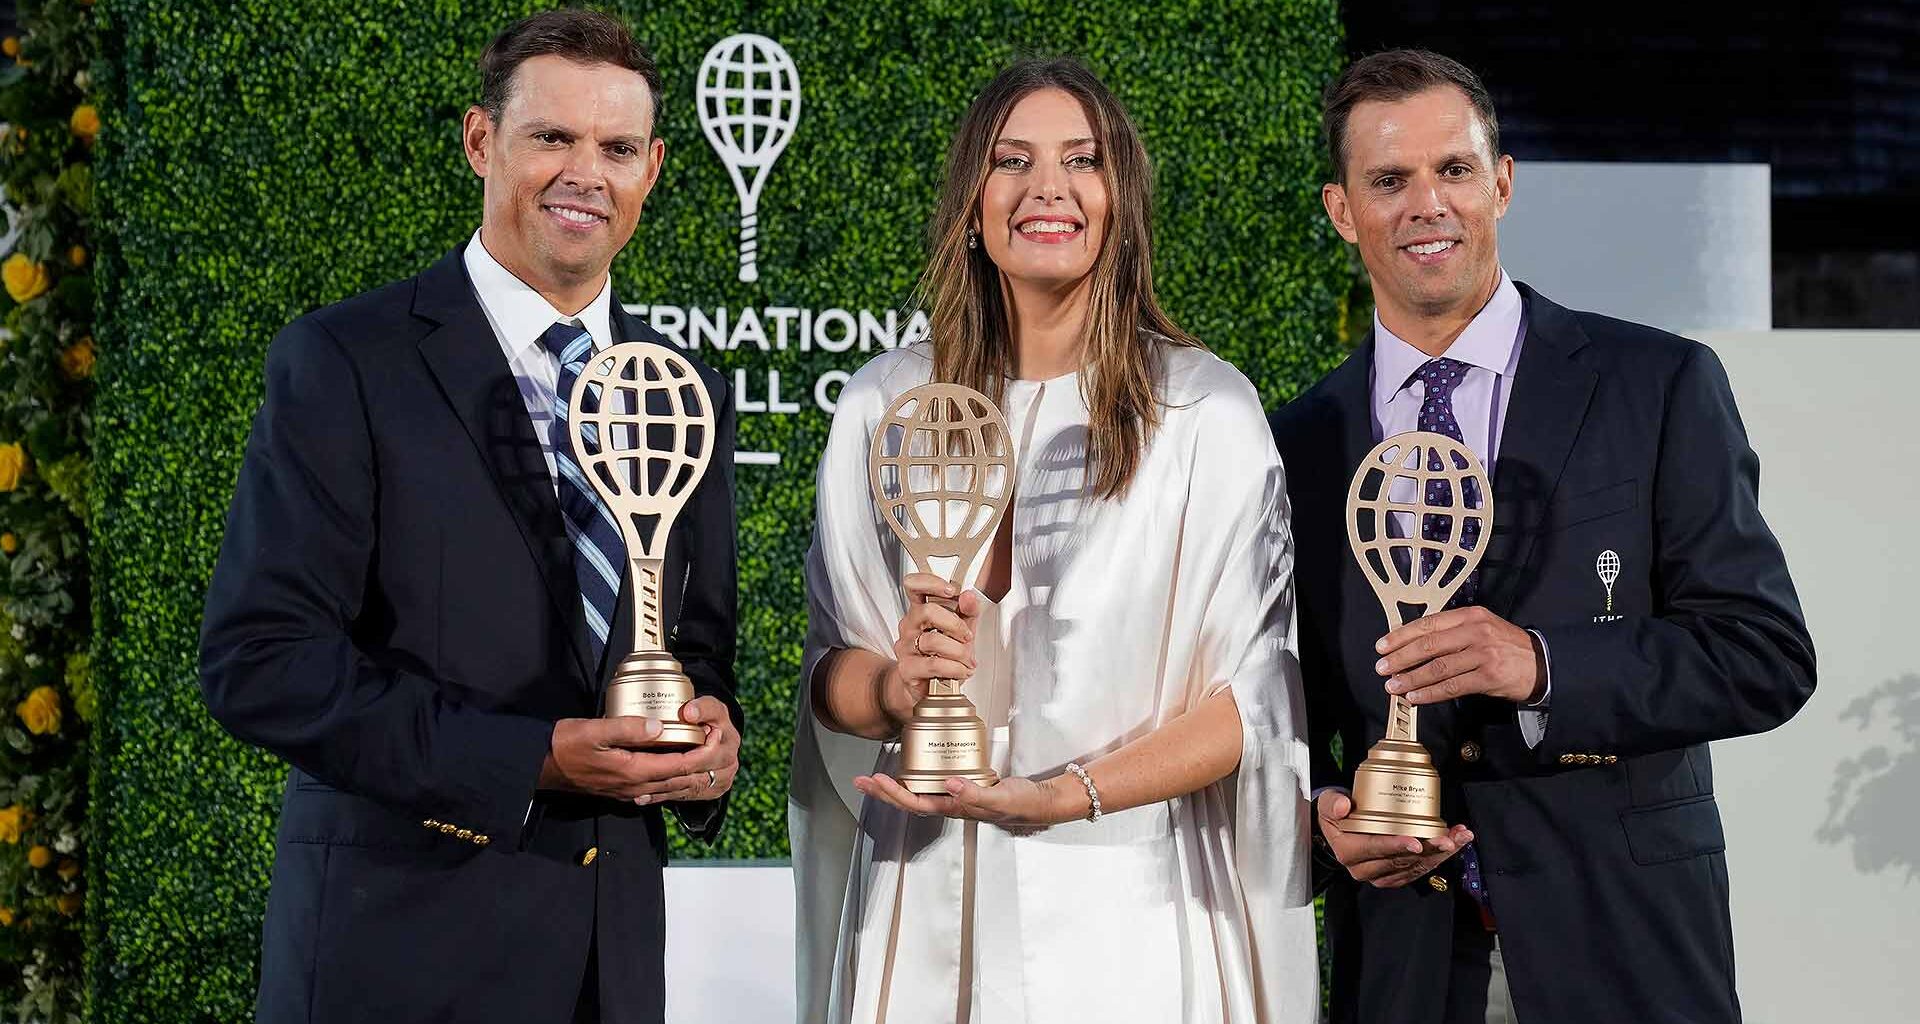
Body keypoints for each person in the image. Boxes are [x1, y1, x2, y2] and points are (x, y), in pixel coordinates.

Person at [197, 11, 741, 1023]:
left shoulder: (685, 387)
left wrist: (710, 744)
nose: (587, 172)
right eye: (552, 138)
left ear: (653, 168)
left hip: (609, 969)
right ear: (481, 141)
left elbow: (696, 647)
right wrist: (527, 759)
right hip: (398, 961)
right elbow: (260, 660)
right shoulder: (346, 360)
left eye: (618, 147)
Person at [1268, 48, 1815, 1024]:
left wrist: (1541, 663)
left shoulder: (1658, 385)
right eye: (1389, 180)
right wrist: (1322, 819)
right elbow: (1281, 708)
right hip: (1406, 964)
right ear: (1342, 210)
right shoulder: (1300, 442)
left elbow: (1764, 654)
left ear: (1503, 184)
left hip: (1621, 948)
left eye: (1454, 170)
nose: (1426, 203)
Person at [789, 57, 1317, 1024]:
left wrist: (1062, 796)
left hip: (1140, 915)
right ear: (972, 202)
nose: (1048, 190)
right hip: (924, 896)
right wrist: (895, 687)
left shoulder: (1205, 411)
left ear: (1121, 199)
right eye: (1012, 160)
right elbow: (831, 675)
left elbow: (1253, 700)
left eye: (1083, 161)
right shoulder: (881, 405)